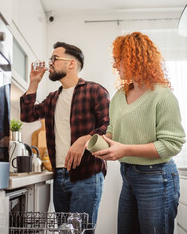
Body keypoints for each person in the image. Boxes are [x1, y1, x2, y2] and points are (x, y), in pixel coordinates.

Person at [92, 32, 186, 234]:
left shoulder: (162, 96)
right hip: (129, 176)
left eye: (119, 60)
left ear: (136, 59)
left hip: (157, 177)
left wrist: (125, 150)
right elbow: (113, 131)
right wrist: (103, 142)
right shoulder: (119, 96)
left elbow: (172, 144)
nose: (115, 66)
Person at [20, 42, 110, 229]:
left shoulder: (95, 91)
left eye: (54, 58)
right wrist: (34, 82)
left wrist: (84, 139)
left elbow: (108, 127)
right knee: (63, 231)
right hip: (59, 175)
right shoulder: (53, 98)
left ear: (71, 63)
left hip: (86, 175)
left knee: (80, 232)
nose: (49, 63)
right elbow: (27, 115)